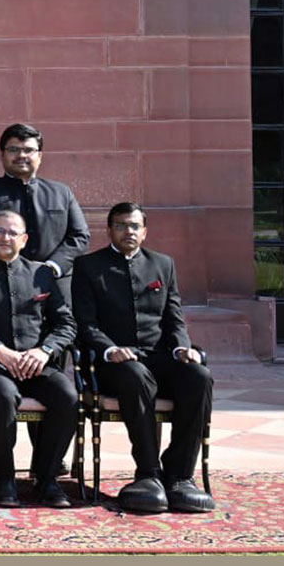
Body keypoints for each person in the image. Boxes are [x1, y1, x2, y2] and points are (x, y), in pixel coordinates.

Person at [72, 203, 215, 513]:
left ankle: (179, 475)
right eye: (122, 226)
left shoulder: (163, 264)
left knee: (198, 376)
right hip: (114, 365)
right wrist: (110, 349)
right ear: (109, 230)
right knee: (135, 374)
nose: (129, 232)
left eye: (135, 226)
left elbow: (174, 318)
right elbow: (86, 324)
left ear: (145, 231)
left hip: (159, 357)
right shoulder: (88, 267)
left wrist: (181, 348)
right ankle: (148, 473)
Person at [0, 210, 79, 508]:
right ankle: (4, 478)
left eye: (12, 233)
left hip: (36, 363)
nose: (5, 238)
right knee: (4, 398)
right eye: (0, 231)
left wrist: (44, 351)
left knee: (68, 396)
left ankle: (46, 479)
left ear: (24, 239)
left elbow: (66, 324)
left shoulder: (41, 273)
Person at [0, 123, 90, 278]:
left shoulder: (62, 192)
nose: (21, 155)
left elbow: (80, 236)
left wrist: (53, 266)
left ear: (40, 156)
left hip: (54, 280)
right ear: (2, 155)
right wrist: (18, 269)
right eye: (13, 150)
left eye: (29, 150)